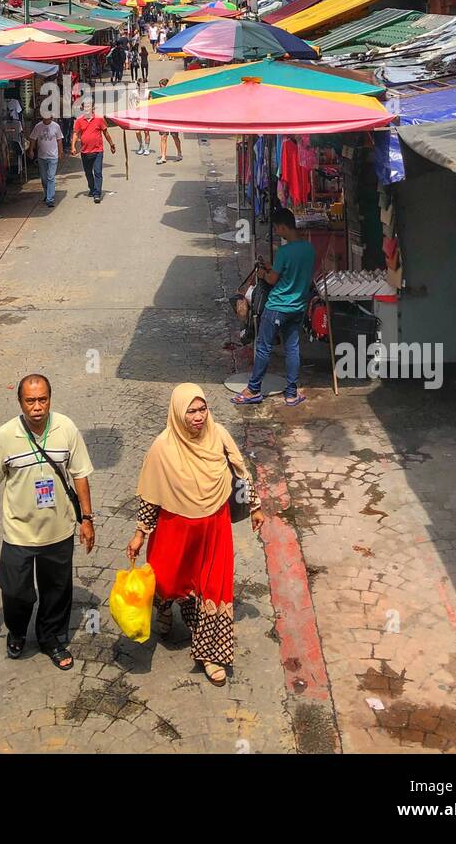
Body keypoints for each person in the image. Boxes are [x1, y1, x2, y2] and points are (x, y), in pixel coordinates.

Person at [126, 384, 262, 686]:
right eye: (191, 411)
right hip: (174, 528)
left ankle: (212, 655)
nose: (199, 417)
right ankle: (165, 606)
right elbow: (150, 496)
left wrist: (255, 506)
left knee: (215, 587)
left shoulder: (219, 434)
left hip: (215, 527)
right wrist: (140, 534)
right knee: (168, 579)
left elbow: (241, 471)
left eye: (203, 409)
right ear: (177, 413)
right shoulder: (162, 447)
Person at [0, 374, 95, 669]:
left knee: (57, 589)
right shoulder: (5, 435)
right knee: (14, 589)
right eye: (30, 401)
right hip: (19, 532)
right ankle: (16, 630)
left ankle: (50, 637)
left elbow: (80, 474)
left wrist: (87, 519)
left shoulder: (66, 429)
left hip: (59, 529)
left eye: (42, 399)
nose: (37, 407)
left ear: (50, 400)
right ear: (20, 402)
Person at [232, 207, 315, 408]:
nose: (277, 232)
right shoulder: (309, 249)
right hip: (298, 306)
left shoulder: (284, 251)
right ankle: (291, 394)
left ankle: (253, 389)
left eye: (277, 229)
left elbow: (273, 279)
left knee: (263, 347)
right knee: (293, 348)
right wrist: (274, 267)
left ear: (283, 227)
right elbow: (293, 273)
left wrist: (263, 274)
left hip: (277, 306)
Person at [70, 100, 116, 203]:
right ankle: (92, 188)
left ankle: (97, 194)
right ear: (82, 108)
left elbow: (106, 133)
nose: (87, 109)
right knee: (88, 173)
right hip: (85, 152)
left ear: (93, 108)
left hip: (98, 151)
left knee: (98, 172)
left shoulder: (99, 119)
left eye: (89, 107)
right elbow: (76, 134)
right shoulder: (79, 121)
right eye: (85, 107)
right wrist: (73, 147)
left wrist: (111, 144)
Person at [28, 108, 64, 208]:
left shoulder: (56, 126)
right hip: (42, 156)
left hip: (53, 156)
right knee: (44, 178)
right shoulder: (38, 127)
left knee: (51, 177)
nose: (47, 118)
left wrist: (60, 152)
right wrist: (31, 150)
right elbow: (33, 139)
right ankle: (47, 194)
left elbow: (59, 140)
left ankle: (50, 199)